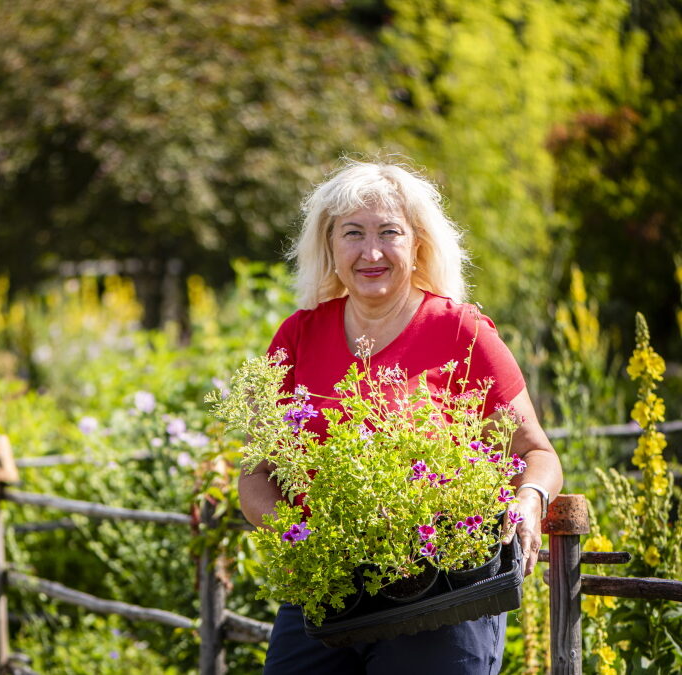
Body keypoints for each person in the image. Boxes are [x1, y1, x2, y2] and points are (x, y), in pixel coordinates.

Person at [240, 158, 563, 675]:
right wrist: (300, 537)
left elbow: (537, 453)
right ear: (329, 246)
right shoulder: (298, 335)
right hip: (327, 592)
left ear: (417, 244)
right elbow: (256, 473)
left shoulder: (460, 331)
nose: (371, 252)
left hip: (442, 594)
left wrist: (529, 501)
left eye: (389, 232)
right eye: (352, 233)